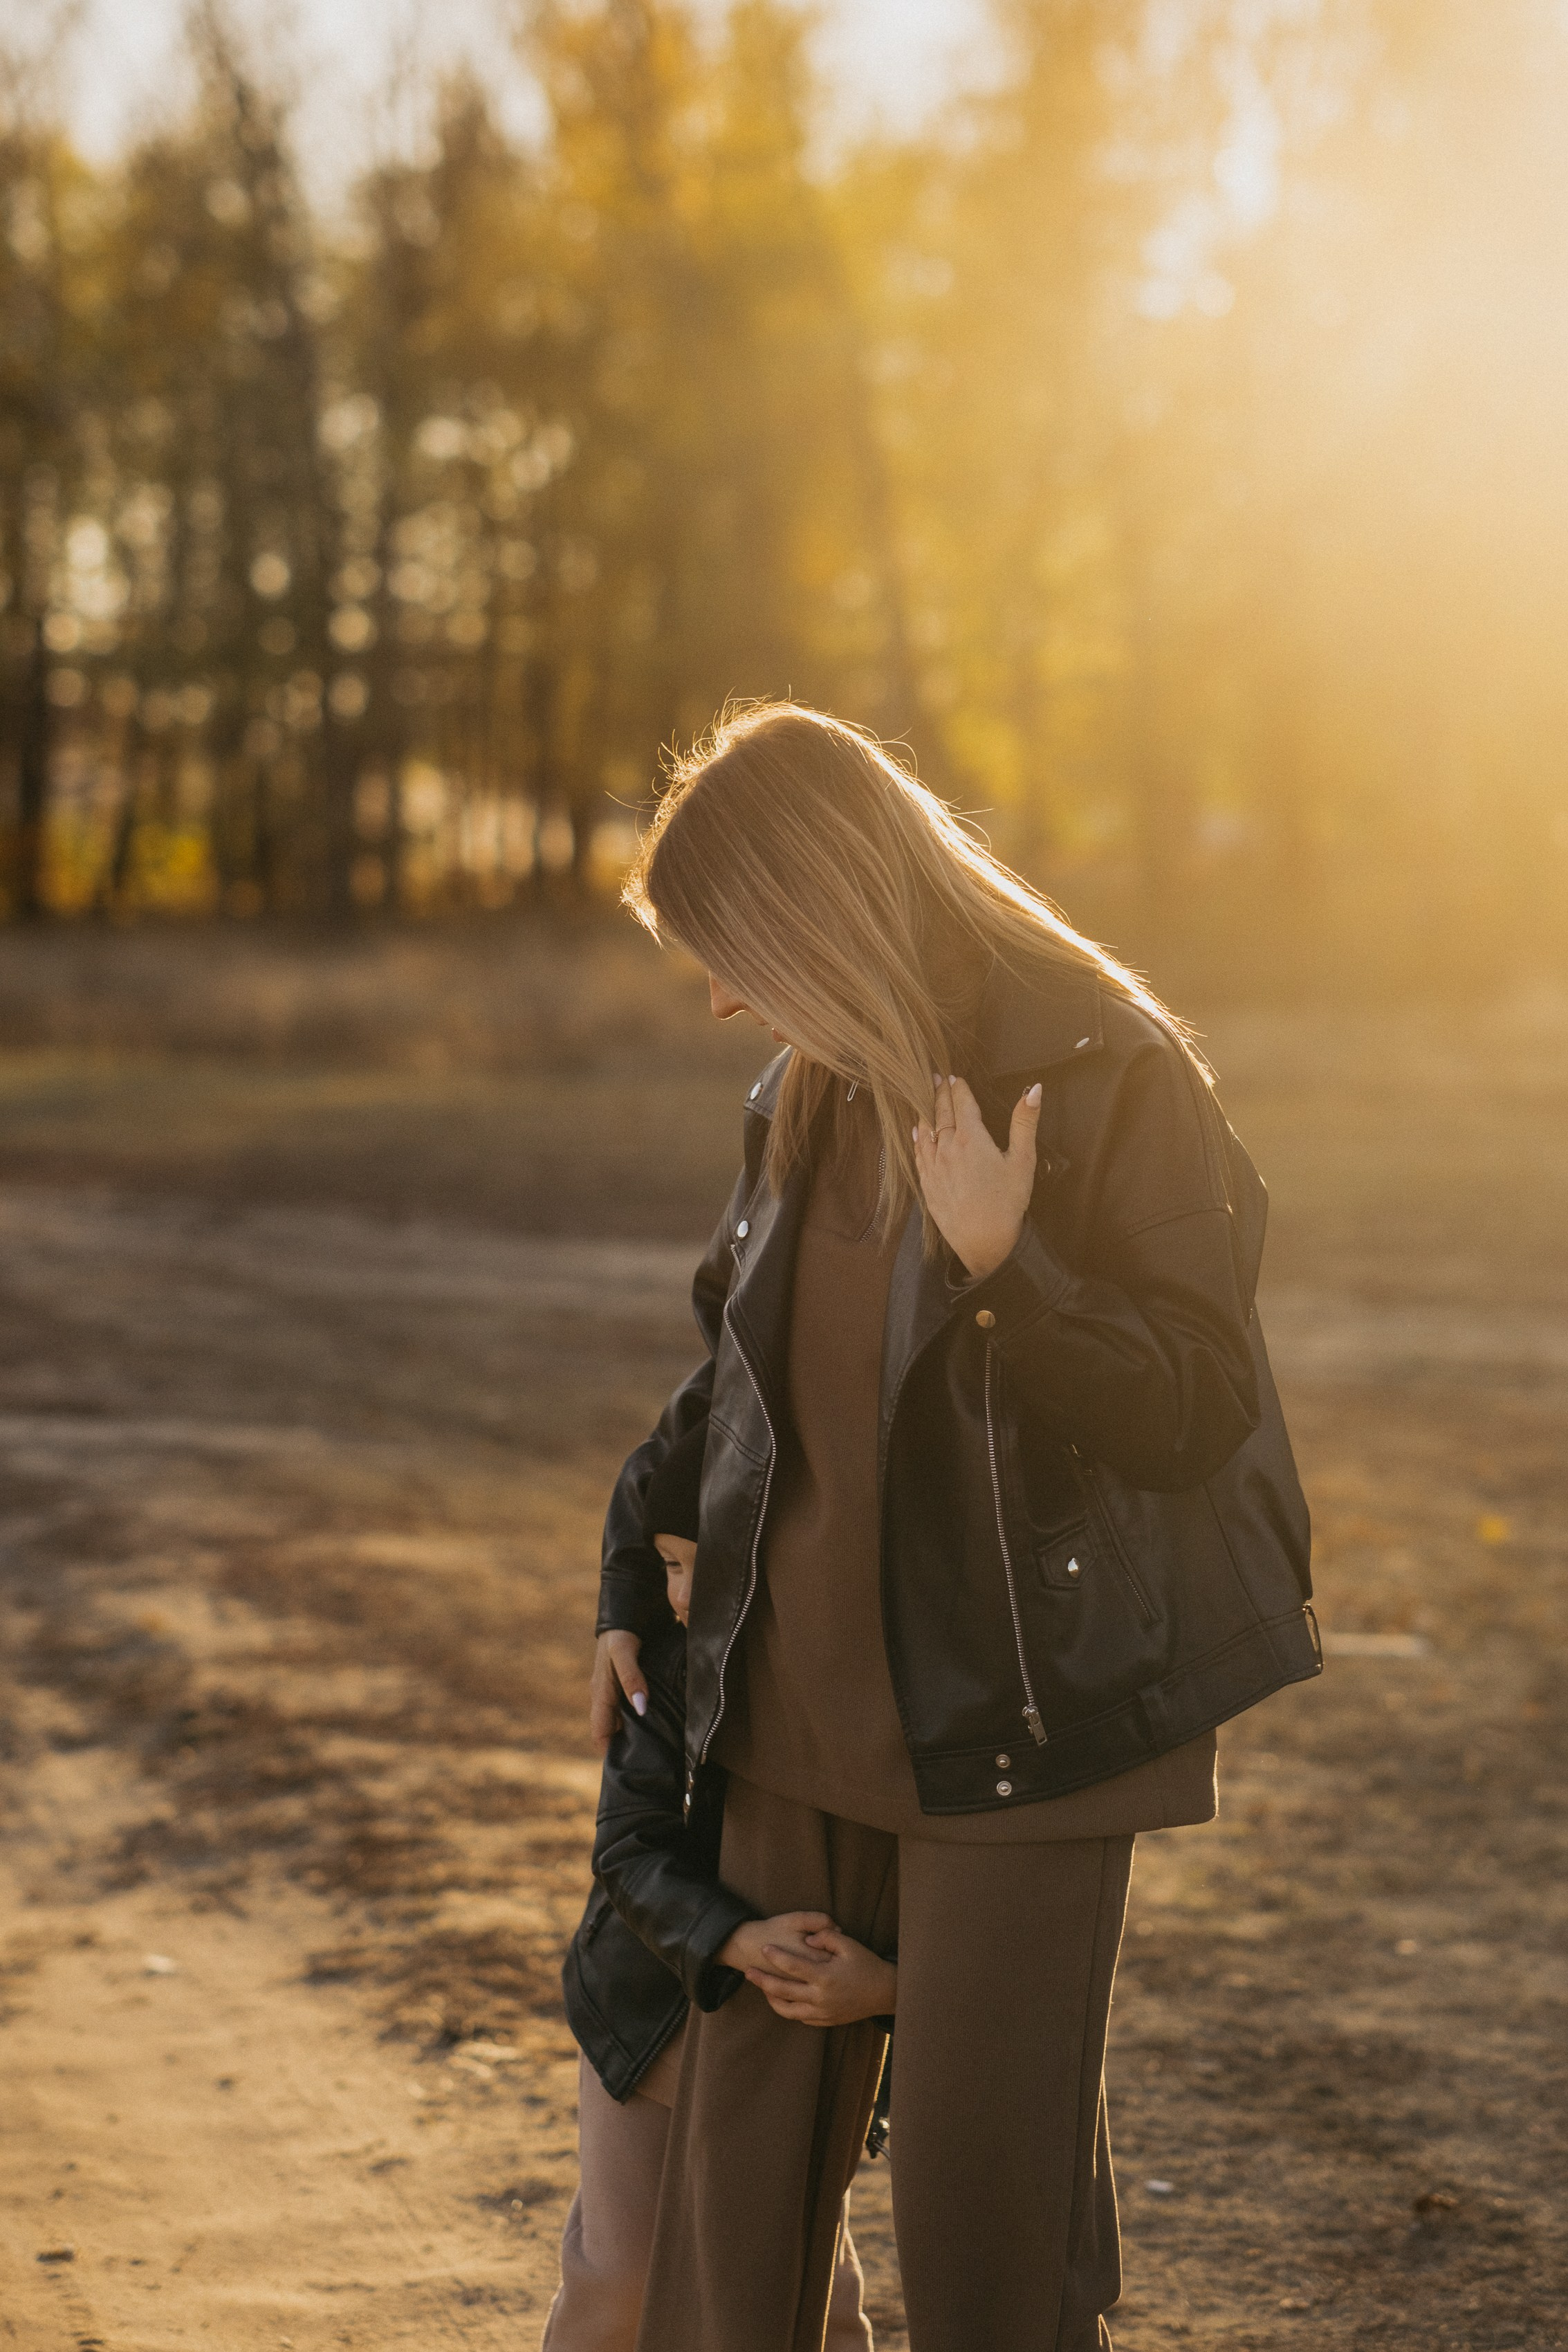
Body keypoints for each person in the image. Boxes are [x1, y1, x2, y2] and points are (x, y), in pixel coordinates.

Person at [590, 703, 1320, 2352]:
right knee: (729, 2236)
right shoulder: (803, 1085)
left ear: (810, 905)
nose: (718, 1000)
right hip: (785, 1719)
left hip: (1019, 1731)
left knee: (990, 2238)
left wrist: (1008, 1270)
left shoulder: (1111, 1069)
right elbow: (739, 1375)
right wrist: (634, 1555)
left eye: (728, 952)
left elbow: (1200, 1404)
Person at [546, 1423, 895, 2351]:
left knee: (811, 2288)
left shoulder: (871, 1690)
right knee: (619, 2279)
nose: (680, 1594)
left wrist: (885, 1987)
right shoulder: (665, 1670)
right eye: (668, 1564)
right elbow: (628, 1849)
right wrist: (734, 1939)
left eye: (706, 1564)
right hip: (652, 2001)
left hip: (803, 2019)